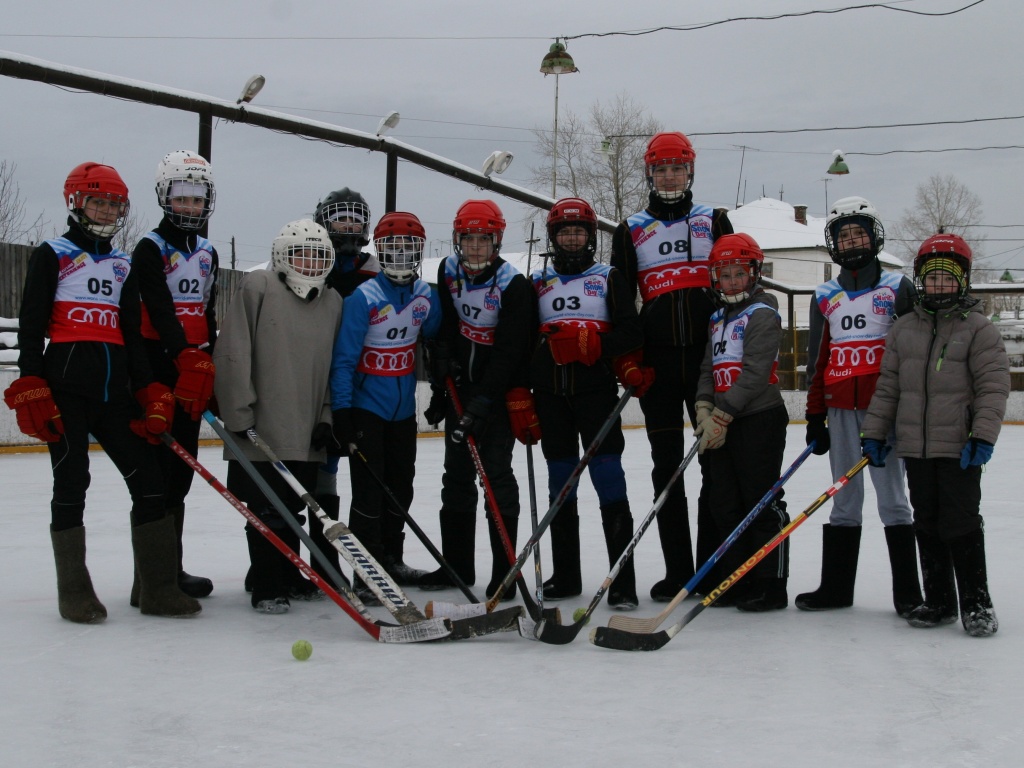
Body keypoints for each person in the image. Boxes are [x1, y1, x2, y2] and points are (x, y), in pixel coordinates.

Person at [4, 162, 201, 622]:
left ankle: (156, 590)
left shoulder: (122, 263)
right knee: (72, 482)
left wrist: (148, 386)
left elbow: (131, 333)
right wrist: (32, 380)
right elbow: (31, 325)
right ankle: (74, 591)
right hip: (66, 391)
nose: (107, 210)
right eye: (98, 201)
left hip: (116, 395)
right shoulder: (52, 253)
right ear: (76, 203)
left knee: (151, 482)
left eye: (114, 204)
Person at [860, 233, 1009, 637]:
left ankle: (976, 604)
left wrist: (983, 436)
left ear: (963, 281)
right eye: (931, 278)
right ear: (920, 280)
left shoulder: (979, 330)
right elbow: (888, 387)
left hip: (959, 446)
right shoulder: (904, 329)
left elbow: (994, 387)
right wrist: (873, 433)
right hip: (915, 447)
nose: (939, 286)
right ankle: (939, 600)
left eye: (948, 278)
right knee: (926, 521)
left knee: (960, 522)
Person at [610, 131, 734, 601]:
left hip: (708, 359)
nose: (668, 176)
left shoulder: (714, 219)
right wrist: (626, 357)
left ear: (690, 171)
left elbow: (739, 283)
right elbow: (621, 302)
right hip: (660, 364)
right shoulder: (632, 227)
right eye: (660, 168)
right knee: (667, 468)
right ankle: (678, 570)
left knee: (715, 463)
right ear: (650, 172)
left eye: (676, 168)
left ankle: (711, 566)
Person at [798, 196, 922, 616]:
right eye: (843, 235)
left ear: (873, 238)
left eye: (859, 233)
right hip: (839, 409)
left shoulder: (897, 287)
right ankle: (836, 589)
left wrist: (903, 414)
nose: (852, 241)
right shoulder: (824, 295)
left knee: (893, 500)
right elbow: (819, 359)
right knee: (844, 498)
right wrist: (815, 415)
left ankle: (908, 592)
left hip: (883, 411)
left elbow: (911, 356)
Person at [530, 197, 654, 609]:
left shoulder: (608, 277)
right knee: (560, 485)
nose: (571, 238)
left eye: (579, 231)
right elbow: (524, 343)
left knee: (609, 480)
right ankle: (565, 576)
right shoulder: (537, 281)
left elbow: (632, 333)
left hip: (595, 395)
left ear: (590, 237)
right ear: (553, 236)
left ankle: (622, 582)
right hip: (551, 397)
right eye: (564, 232)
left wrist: (593, 344)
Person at [213, 219, 341, 614]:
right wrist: (238, 412)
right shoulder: (259, 287)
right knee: (265, 509)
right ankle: (267, 584)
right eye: (301, 253)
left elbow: (334, 366)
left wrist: (327, 417)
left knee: (294, 507)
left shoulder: (333, 302)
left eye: (319, 255)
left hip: (304, 426)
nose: (309, 262)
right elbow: (234, 349)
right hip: (260, 423)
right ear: (282, 257)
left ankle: (284, 574)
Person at [417, 199, 537, 600]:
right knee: (456, 477)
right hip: (461, 389)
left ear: (496, 241)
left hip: (497, 394)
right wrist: (440, 380)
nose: (474, 248)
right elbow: (448, 329)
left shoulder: (513, 286)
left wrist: (485, 403)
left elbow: (510, 352)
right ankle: (457, 566)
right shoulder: (448, 271)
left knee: (496, 476)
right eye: (468, 239)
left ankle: (505, 571)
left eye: (482, 240)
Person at [329, 211, 441, 603]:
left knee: (401, 487)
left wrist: (445, 382)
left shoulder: (426, 296)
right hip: (366, 410)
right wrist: (341, 413)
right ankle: (366, 573)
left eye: (408, 249)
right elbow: (343, 360)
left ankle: (392, 559)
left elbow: (438, 339)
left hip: (403, 412)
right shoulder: (365, 297)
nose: (400, 257)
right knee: (368, 493)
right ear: (381, 251)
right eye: (392, 249)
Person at [132, 150, 219, 605]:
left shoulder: (207, 251)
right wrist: (180, 355)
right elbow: (159, 308)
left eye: (197, 198)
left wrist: (209, 364)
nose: (190, 206)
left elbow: (206, 310)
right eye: (182, 198)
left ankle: (168, 569)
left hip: (194, 368)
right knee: (157, 473)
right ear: (166, 198)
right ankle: (149, 579)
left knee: (182, 474)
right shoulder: (149, 247)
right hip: (162, 365)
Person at [694, 233, 791, 611]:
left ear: (754, 273)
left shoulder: (763, 313)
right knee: (725, 502)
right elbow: (708, 367)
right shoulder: (717, 318)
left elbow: (754, 372)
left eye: (739, 273)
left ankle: (771, 585)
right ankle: (737, 580)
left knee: (760, 502)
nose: (732, 282)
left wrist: (722, 414)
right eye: (725, 275)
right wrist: (704, 407)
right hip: (723, 421)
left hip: (757, 419)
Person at [307, 188, 381, 586]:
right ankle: (322, 564)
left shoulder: (375, 269)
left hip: (364, 388)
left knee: (369, 477)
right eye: (340, 219)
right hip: (317, 383)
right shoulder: (311, 263)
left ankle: (371, 562)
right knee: (320, 468)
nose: (348, 227)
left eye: (355, 219)